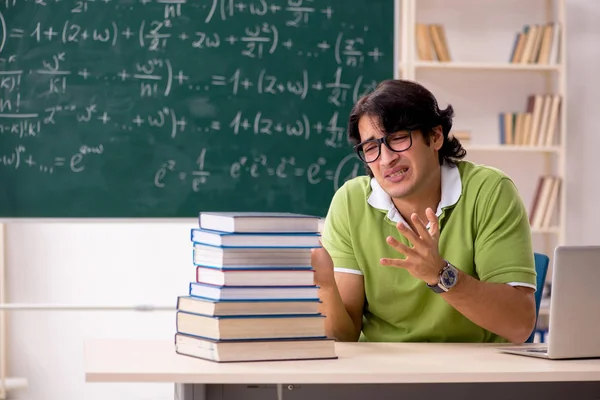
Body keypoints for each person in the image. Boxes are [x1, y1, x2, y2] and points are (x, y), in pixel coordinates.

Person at [312, 79, 537, 344]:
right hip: (382, 373)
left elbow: (519, 325)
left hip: (475, 372)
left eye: (397, 139)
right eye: (371, 148)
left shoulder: (489, 191)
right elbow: (345, 335)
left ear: (436, 136)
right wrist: (325, 284)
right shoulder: (350, 202)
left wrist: (441, 275)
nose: (386, 159)